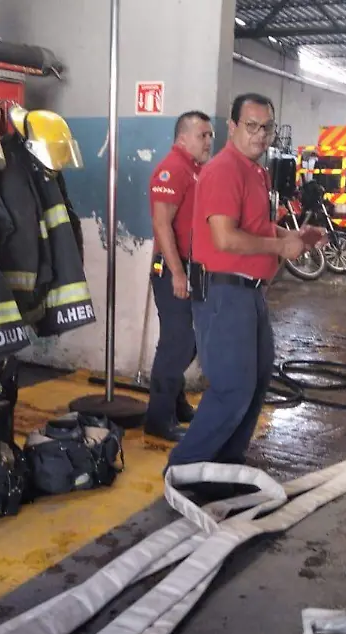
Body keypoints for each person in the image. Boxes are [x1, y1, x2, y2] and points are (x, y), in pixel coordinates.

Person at [165, 93, 326, 470]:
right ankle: (183, 469)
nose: (260, 135)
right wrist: (279, 246)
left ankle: (225, 467)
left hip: (249, 294)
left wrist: (293, 235)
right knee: (233, 387)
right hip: (224, 293)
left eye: (266, 127)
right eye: (251, 126)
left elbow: (255, 228)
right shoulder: (224, 170)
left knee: (255, 382)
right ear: (233, 126)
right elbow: (225, 238)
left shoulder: (256, 172)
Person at [144, 111, 215, 441]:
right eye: (203, 135)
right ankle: (158, 419)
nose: (209, 141)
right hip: (173, 269)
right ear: (183, 138)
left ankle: (177, 404)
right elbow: (162, 225)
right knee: (177, 344)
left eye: (210, 135)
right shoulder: (172, 169)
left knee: (189, 342)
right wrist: (176, 273)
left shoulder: (195, 170)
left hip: (192, 267)